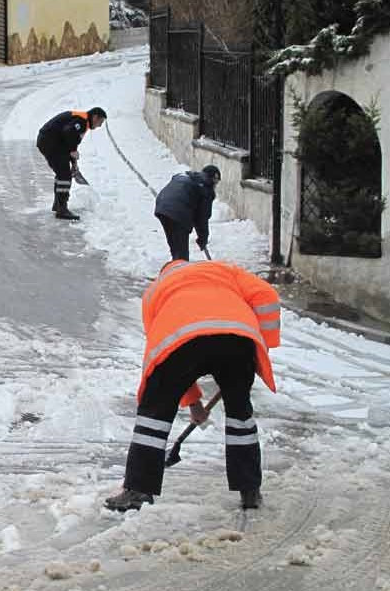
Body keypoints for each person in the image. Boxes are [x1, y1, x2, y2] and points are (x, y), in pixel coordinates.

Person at [104, 259, 281, 512]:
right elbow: (267, 295)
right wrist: (263, 341)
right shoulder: (224, 271)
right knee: (240, 414)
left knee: (155, 413)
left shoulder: (156, 289)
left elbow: (165, 352)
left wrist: (192, 402)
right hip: (236, 339)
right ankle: (249, 490)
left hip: (182, 343)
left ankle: (138, 490)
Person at [36, 107, 107, 220]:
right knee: (64, 175)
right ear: (95, 117)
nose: (100, 125)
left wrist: (74, 162)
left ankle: (58, 205)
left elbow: (71, 140)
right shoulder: (82, 121)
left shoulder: (83, 121)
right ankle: (62, 209)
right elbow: (68, 132)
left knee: (62, 173)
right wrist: (73, 150)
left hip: (50, 141)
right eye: (100, 122)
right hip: (50, 141)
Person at [154, 165, 221, 260]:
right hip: (178, 212)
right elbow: (202, 218)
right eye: (216, 182)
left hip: (162, 207)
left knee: (175, 245)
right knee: (181, 251)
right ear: (214, 179)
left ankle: (176, 267)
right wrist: (203, 239)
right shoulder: (206, 189)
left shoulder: (188, 176)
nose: (215, 186)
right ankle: (180, 270)